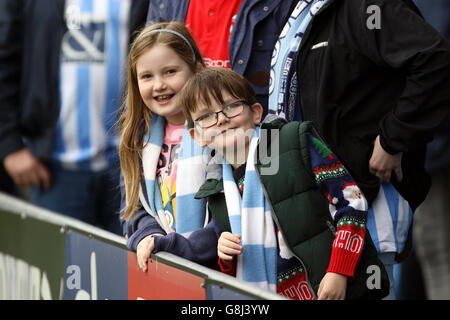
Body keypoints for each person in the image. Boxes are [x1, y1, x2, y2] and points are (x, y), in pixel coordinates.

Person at [267, 0, 450, 299]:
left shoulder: (368, 6)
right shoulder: (300, 9)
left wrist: (393, 139)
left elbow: (433, 58)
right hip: (315, 209)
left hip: (367, 203)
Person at [179, 67, 388, 300]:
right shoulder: (217, 190)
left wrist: (339, 270)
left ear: (256, 113)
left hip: (332, 289)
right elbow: (235, 266)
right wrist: (226, 257)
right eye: (206, 116)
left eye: (231, 106)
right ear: (196, 136)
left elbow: (353, 203)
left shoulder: (291, 141)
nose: (221, 119)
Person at [0, 0, 150, 235]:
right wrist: (8, 143)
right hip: (55, 169)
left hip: (131, 167)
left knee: (127, 268)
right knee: (59, 269)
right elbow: (5, 57)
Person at [119, 21, 221, 271]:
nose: (159, 85)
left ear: (196, 70)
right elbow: (134, 209)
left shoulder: (219, 132)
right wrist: (150, 235)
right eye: (147, 76)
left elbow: (227, 217)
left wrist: (174, 246)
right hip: (162, 269)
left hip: (213, 271)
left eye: (170, 72)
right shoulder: (138, 140)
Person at [394, 0, 450, 300]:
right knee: (424, 247)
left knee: (436, 248)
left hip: (431, 143)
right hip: (428, 144)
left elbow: (431, 62)